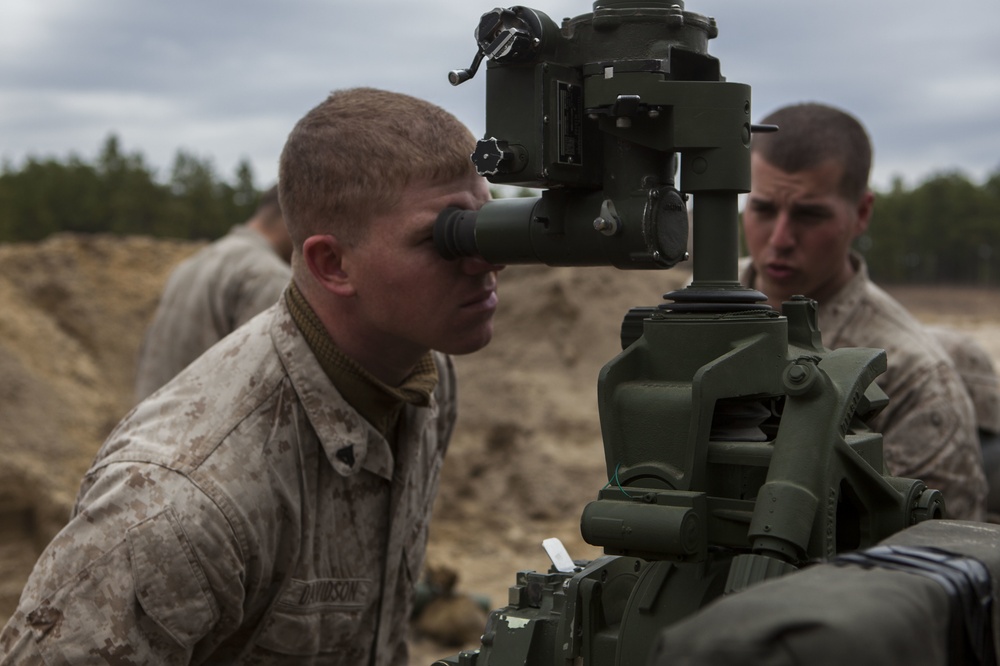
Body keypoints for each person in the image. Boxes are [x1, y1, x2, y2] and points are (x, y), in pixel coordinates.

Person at [0, 87, 504, 664]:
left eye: (487, 226)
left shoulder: (423, 378)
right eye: (444, 238)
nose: (488, 260)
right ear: (332, 264)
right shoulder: (182, 506)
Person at [740, 101, 987, 521]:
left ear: (862, 214)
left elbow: (933, 566)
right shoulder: (692, 312)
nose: (780, 239)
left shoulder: (914, 377)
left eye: (809, 214)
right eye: (763, 208)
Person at [133, 185, 293, 402]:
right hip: (199, 429)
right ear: (294, 217)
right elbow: (263, 393)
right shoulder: (268, 276)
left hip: (151, 425)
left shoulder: (195, 262)